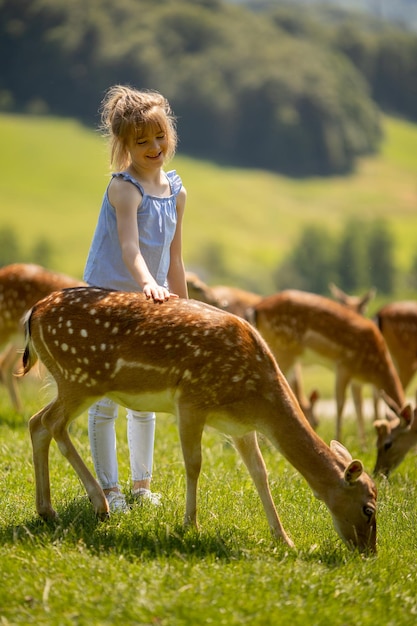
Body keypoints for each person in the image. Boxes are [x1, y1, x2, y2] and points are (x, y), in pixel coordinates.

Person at [84, 85, 188, 512]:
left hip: (154, 304)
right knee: (106, 400)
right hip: (110, 303)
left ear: (170, 134)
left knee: (143, 400)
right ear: (124, 144)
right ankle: (109, 491)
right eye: (141, 141)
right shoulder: (124, 189)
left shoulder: (177, 190)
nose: (154, 147)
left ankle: (142, 487)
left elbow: (175, 258)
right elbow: (130, 251)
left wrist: (185, 309)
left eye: (159, 136)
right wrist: (147, 282)